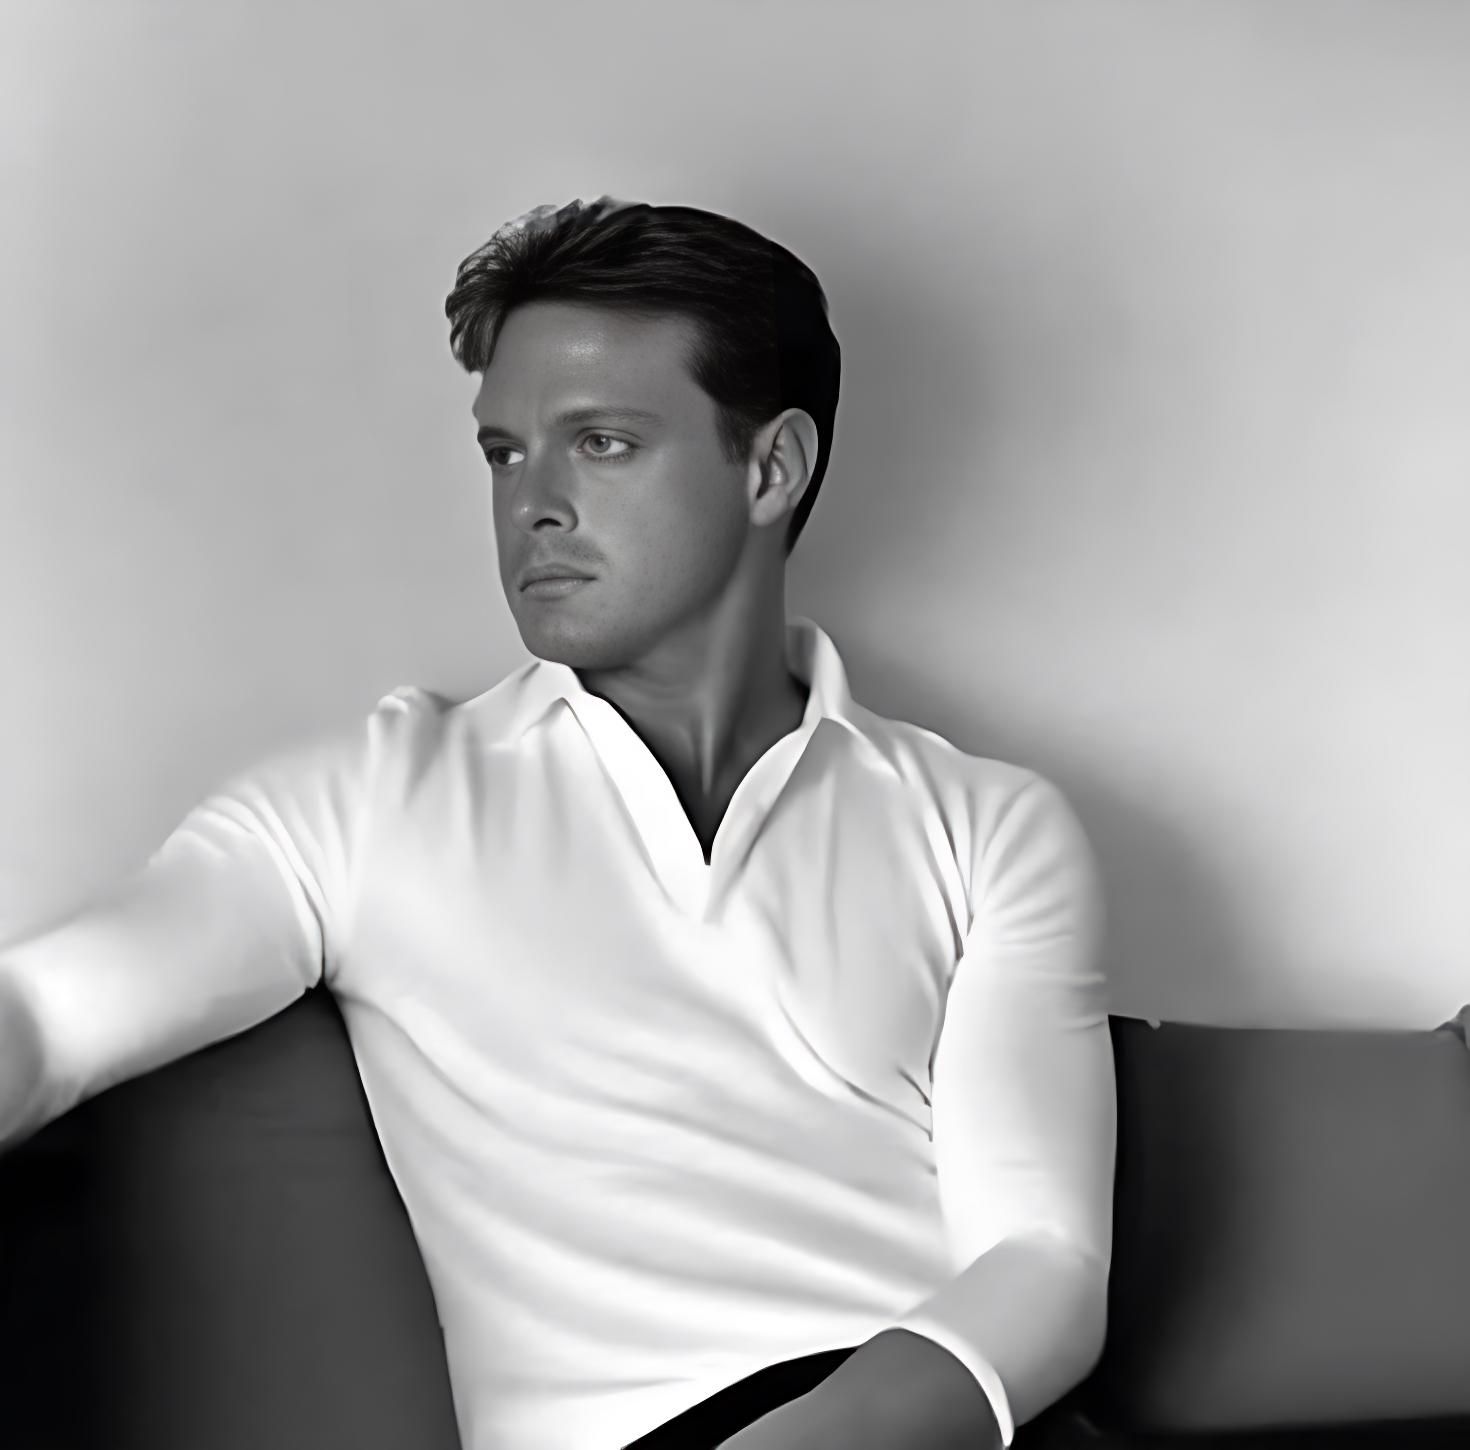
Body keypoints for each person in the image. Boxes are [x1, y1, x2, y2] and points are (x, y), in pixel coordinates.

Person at [0, 196, 1117, 1449]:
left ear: (771, 468)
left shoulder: (987, 826)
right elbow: (46, 1013)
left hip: (946, 1421)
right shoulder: (373, 802)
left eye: (600, 443)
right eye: (502, 452)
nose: (530, 502)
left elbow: (1046, 1262)